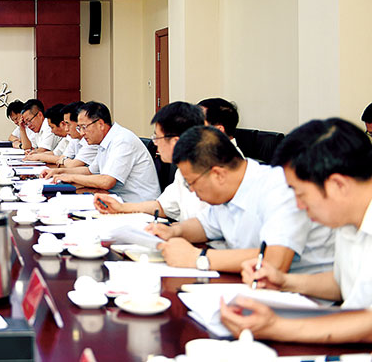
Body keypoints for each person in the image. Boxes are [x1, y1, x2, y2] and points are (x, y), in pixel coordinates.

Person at [221, 118, 372, 343]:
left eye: (300, 194)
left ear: (338, 185)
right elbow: (344, 284)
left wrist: (277, 327)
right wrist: (284, 281)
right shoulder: (347, 219)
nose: (299, 205)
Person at [147, 126, 334, 273]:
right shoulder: (228, 191)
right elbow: (205, 225)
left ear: (218, 174)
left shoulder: (279, 188)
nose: (192, 191)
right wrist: (173, 231)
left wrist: (198, 257)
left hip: (310, 297)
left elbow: (274, 261)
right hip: (260, 285)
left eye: (191, 183)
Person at [95, 101, 207, 221]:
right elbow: (162, 207)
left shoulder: (209, 176)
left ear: (175, 142)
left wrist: (176, 230)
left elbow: (206, 227)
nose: (155, 143)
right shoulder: (182, 172)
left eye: (157, 137)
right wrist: (121, 207)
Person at [43, 101, 160, 202]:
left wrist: (72, 177)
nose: (82, 133)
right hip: (116, 199)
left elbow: (106, 181)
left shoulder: (122, 141)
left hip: (138, 206)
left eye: (84, 127)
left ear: (100, 124)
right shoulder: (104, 141)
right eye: (79, 128)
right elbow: (90, 171)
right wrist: (59, 172)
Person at [57, 101, 98, 169]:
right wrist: (66, 161)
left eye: (68, 124)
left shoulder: (92, 140)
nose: (66, 129)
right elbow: (59, 161)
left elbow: (72, 165)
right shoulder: (75, 139)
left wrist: (64, 161)